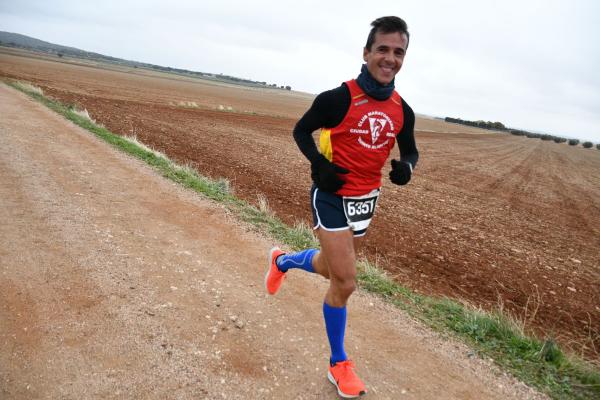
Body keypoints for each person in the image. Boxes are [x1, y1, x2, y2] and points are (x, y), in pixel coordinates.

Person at [265, 16, 419, 398]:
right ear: (366, 53)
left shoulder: (403, 110)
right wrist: (319, 164)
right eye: (382, 49)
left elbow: (410, 148)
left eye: (398, 52)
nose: (390, 58)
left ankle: (282, 261)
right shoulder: (338, 99)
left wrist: (407, 168)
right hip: (331, 196)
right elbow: (301, 130)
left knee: (328, 267)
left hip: (366, 201)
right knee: (346, 282)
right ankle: (338, 363)